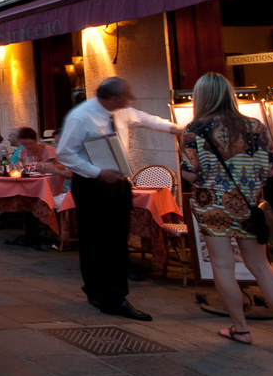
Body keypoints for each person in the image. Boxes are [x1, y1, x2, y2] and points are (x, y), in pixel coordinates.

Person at [180, 72, 273, 347]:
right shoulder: (257, 127)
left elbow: (189, 175)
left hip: (211, 204)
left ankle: (241, 328)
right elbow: (272, 170)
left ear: (201, 97)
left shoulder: (195, 129)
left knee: (223, 266)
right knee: (262, 266)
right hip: (250, 205)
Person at [55, 76, 182, 321]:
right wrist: (97, 172)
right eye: (127, 95)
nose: (131, 100)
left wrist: (174, 128)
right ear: (111, 97)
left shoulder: (121, 112)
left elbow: (145, 118)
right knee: (99, 240)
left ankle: (101, 292)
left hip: (118, 182)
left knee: (116, 238)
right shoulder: (81, 117)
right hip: (93, 184)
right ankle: (110, 297)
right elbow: (65, 153)